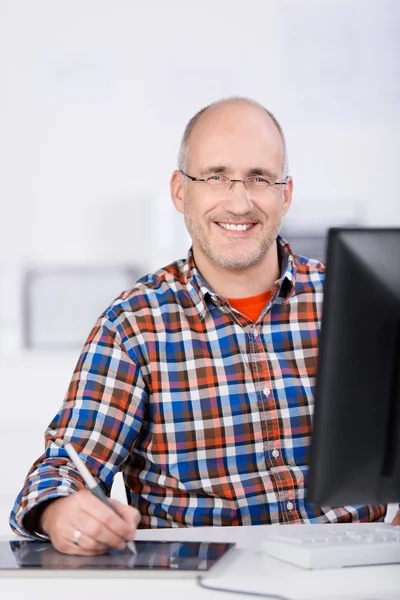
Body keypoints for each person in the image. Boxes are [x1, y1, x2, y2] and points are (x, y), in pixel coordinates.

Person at [10, 97, 400, 556]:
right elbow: (62, 469)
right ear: (180, 191)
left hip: (355, 573)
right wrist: (61, 512)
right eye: (216, 176)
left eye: (259, 178)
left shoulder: (358, 300)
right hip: (202, 577)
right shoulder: (134, 324)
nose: (240, 202)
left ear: (285, 194)